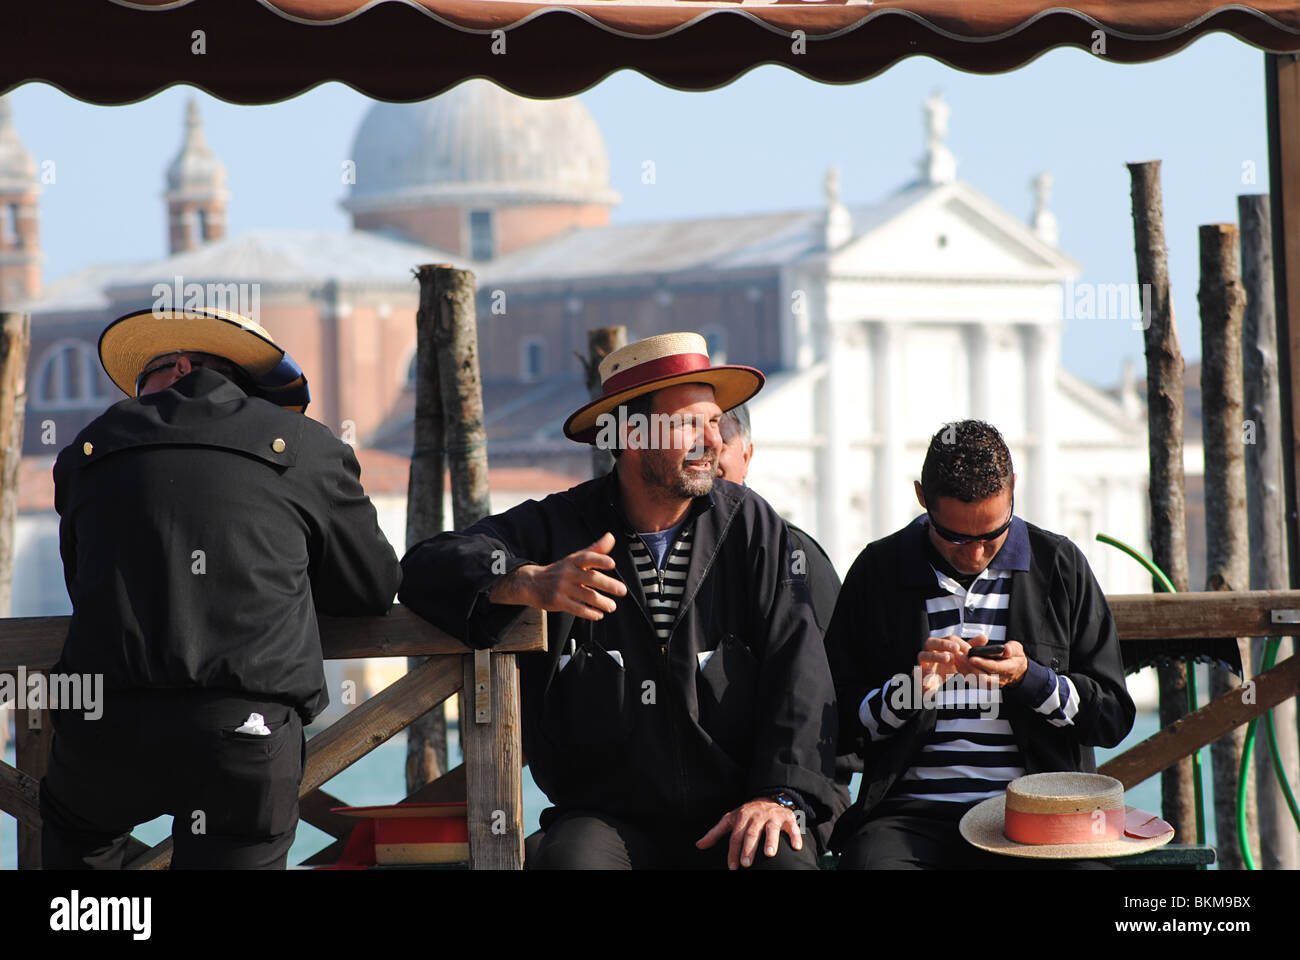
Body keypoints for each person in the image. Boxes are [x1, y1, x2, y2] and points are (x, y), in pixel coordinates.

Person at [399, 331, 838, 870]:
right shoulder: (559, 526)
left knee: (780, 862)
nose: (712, 441)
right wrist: (526, 583)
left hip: (739, 806)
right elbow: (424, 564)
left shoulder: (753, 526)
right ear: (629, 433)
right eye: (686, 424)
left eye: (715, 421)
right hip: (606, 817)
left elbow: (801, 671)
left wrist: (780, 796)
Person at [40, 306, 402, 870]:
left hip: (103, 726)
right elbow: (370, 590)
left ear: (181, 367)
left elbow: (81, 578)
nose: (138, 397)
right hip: (244, 730)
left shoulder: (87, 451)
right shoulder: (307, 446)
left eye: (144, 382)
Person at [825, 419, 1134, 869]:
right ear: (921, 499)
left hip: (1038, 817)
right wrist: (910, 691)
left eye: (992, 533)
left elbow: (1112, 718)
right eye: (954, 535)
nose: (973, 552)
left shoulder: (1060, 566)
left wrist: (1031, 680)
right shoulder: (878, 570)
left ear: (1014, 492)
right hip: (910, 817)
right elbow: (836, 724)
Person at [715, 401, 851, 852]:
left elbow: (835, 699)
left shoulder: (797, 555)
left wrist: (782, 791)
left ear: (747, 455)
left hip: (801, 791)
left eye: (723, 435)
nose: (709, 447)